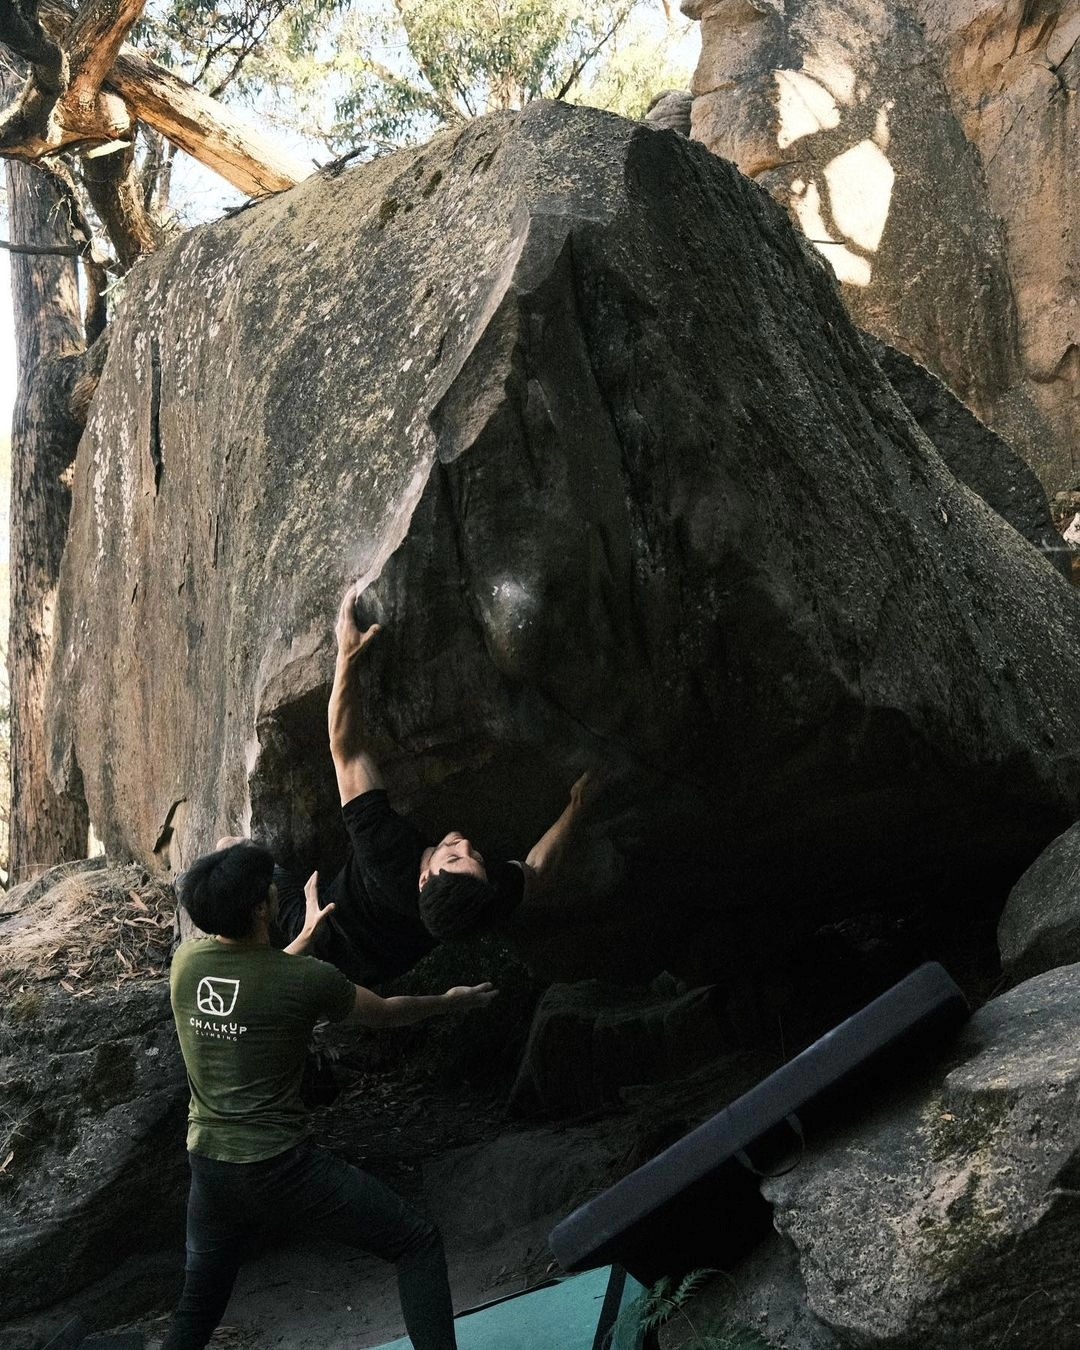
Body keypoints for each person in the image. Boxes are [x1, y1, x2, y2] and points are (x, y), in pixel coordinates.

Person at [163, 839, 497, 1350]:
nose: (276, 888)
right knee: (416, 1242)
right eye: (270, 888)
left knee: (198, 1307)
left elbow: (256, 975)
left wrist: (302, 938)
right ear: (261, 909)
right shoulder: (305, 981)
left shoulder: (187, 965)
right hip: (281, 1170)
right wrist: (449, 1002)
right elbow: (385, 1012)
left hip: (209, 1169)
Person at [219, 583, 596, 987]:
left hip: (315, 932)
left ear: (424, 880)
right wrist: (578, 805)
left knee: (231, 850)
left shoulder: (388, 853)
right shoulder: (482, 900)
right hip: (377, 973)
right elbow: (538, 871)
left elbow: (347, 750)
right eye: (478, 859)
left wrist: (347, 657)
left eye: (453, 857)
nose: (466, 844)